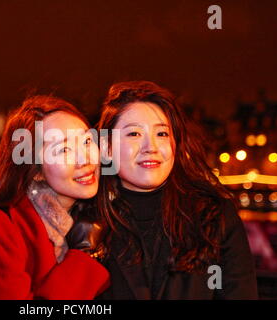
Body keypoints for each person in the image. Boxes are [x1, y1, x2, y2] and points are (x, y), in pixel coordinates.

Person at [94, 80, 258, 299]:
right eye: (134, 134)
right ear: (107, 148)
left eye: (161, 134)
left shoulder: (213, 218)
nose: (150, 147)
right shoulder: (90, 224)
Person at [0, 95, 109, 299]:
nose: (85, 159)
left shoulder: (102, 217)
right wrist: (83, 256)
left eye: (87, 141)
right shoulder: (0, 228)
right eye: (64, 149)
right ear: (36, 171)